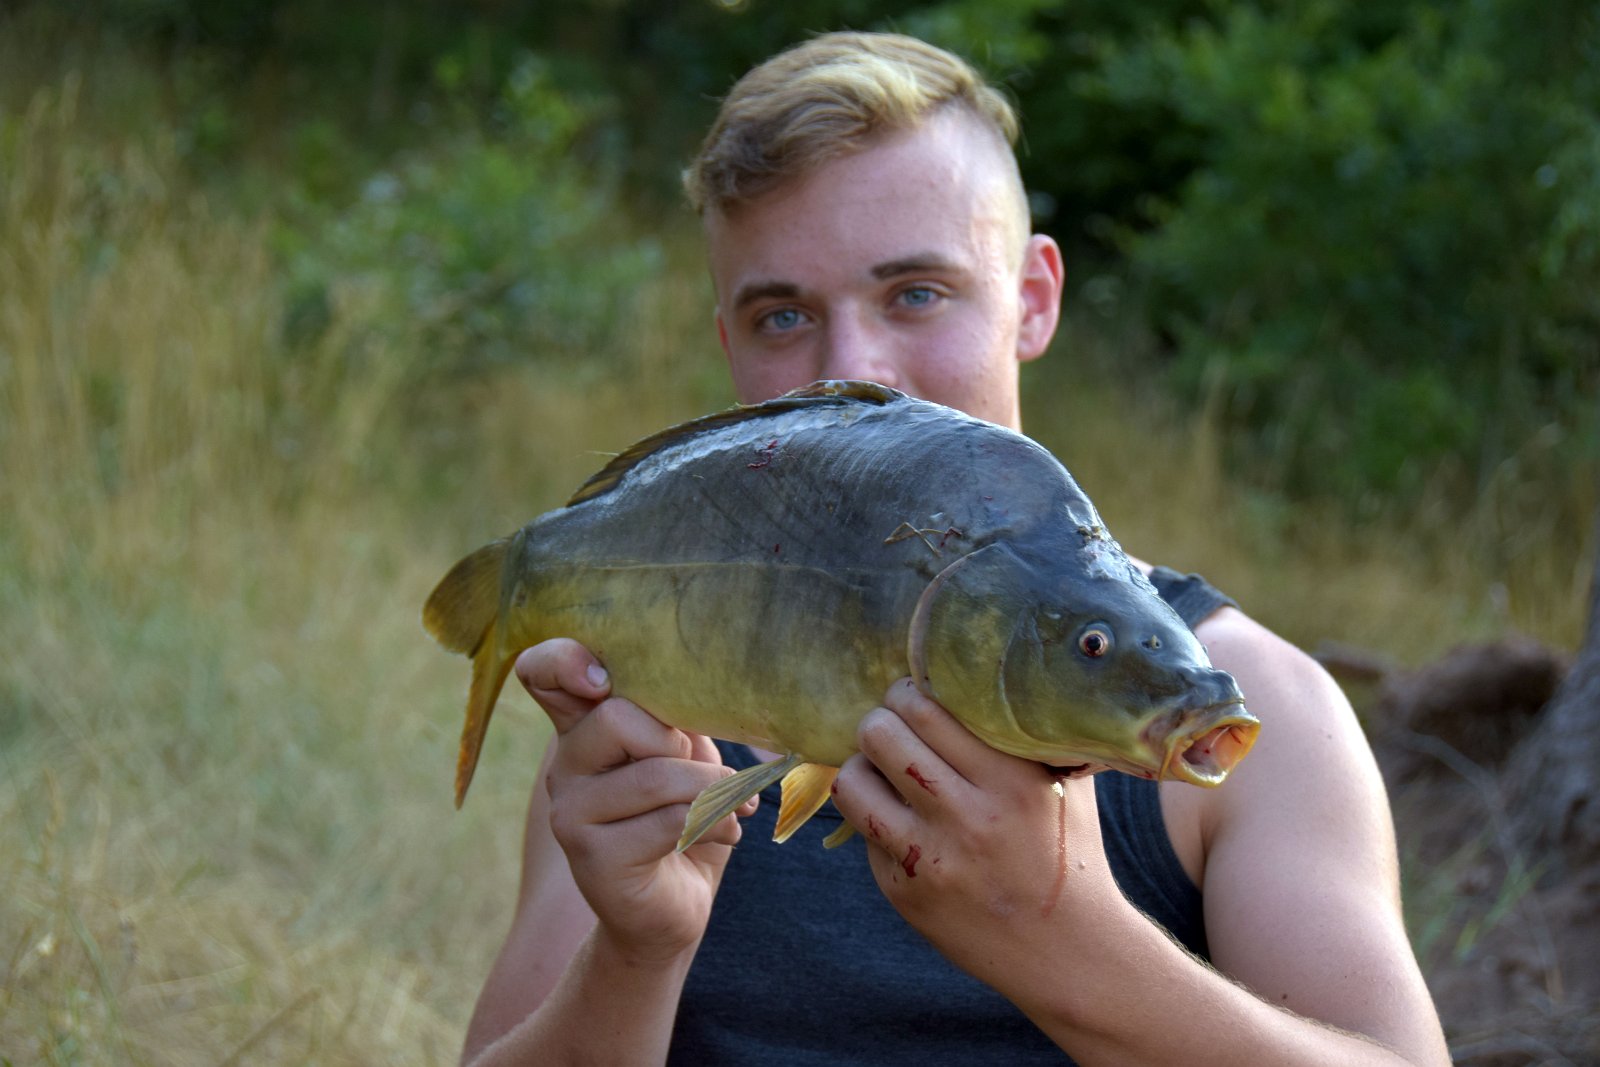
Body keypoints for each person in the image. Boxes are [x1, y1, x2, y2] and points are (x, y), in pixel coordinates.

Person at [459, 31, 1450, 1066]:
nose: (855, 367)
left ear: (1033, 297)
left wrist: (1068, 936)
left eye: (916, 294)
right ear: (728, 344)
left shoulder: (1256, 709)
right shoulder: (662, 702)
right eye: (782, 315)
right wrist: (635, 954)